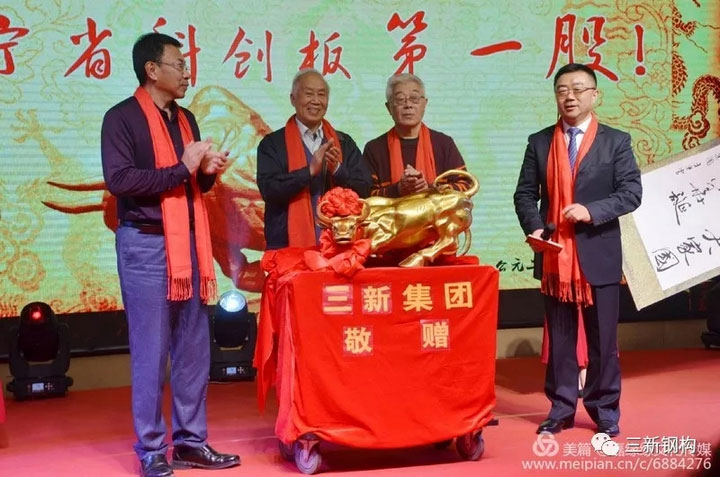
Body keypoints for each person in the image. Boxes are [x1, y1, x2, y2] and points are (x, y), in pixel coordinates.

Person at [101, 33, 239, 477]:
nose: (186, 73)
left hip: (190, 244)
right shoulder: (121, 118)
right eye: (179, 65)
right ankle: (151, 448)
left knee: (193, 349)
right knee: (150, 350)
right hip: (145, 245)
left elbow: (190, 184)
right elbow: (120, 180)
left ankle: (191, 442)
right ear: (152, 69)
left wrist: (206, 174)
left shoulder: (186, 119)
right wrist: (183, 168)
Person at [513, 63, 642, 437]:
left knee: (603, 342)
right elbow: (525, 194)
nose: (569, 96)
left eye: (578, 89)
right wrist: (535, 226)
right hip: (555, 256)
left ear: (595, 95)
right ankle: (561, 408)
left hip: (598, 254)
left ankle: (605, 411)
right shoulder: (539, 142)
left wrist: (591, 211)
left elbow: (631, 193)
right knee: (561, 341)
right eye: (562, 90)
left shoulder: (616, 141)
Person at [256, 68, 371, 250]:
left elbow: (364, 189)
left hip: (339, 245)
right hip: (287, 246)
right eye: (309, 94)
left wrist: (338, 170)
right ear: (293, 99)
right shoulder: (272, 144)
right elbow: (269, 190)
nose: (316, 101)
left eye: (321, 94)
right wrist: (308, 172)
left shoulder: (344, 142)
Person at [363, 73, 471, 197]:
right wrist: (398, 189)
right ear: (389, 108)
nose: (408, 105)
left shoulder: (444, 143)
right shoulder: (374, 149)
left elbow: (466, 186)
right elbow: (366, 195)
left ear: (424, 104)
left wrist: (430, 189)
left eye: (414, 98)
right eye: (400, 99)